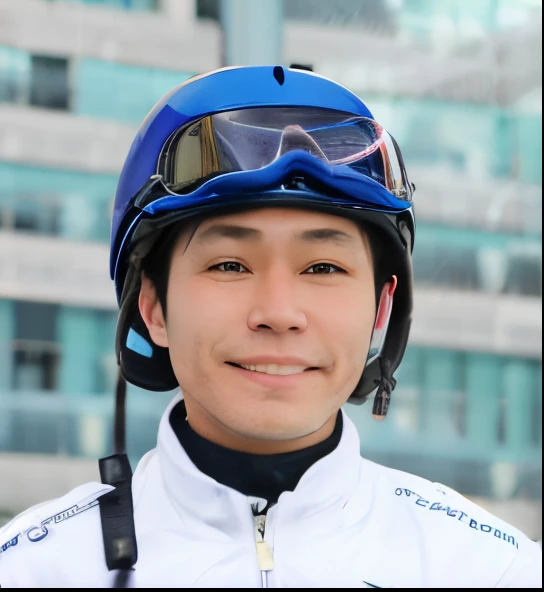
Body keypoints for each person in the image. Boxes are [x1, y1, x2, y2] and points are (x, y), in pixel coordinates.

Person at [0, 65, 541, 588]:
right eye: (230, 265)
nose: (280, 313)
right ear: (153, 307)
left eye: (324, 268)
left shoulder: (487, 569)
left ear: (381, 308)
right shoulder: (35, 570)